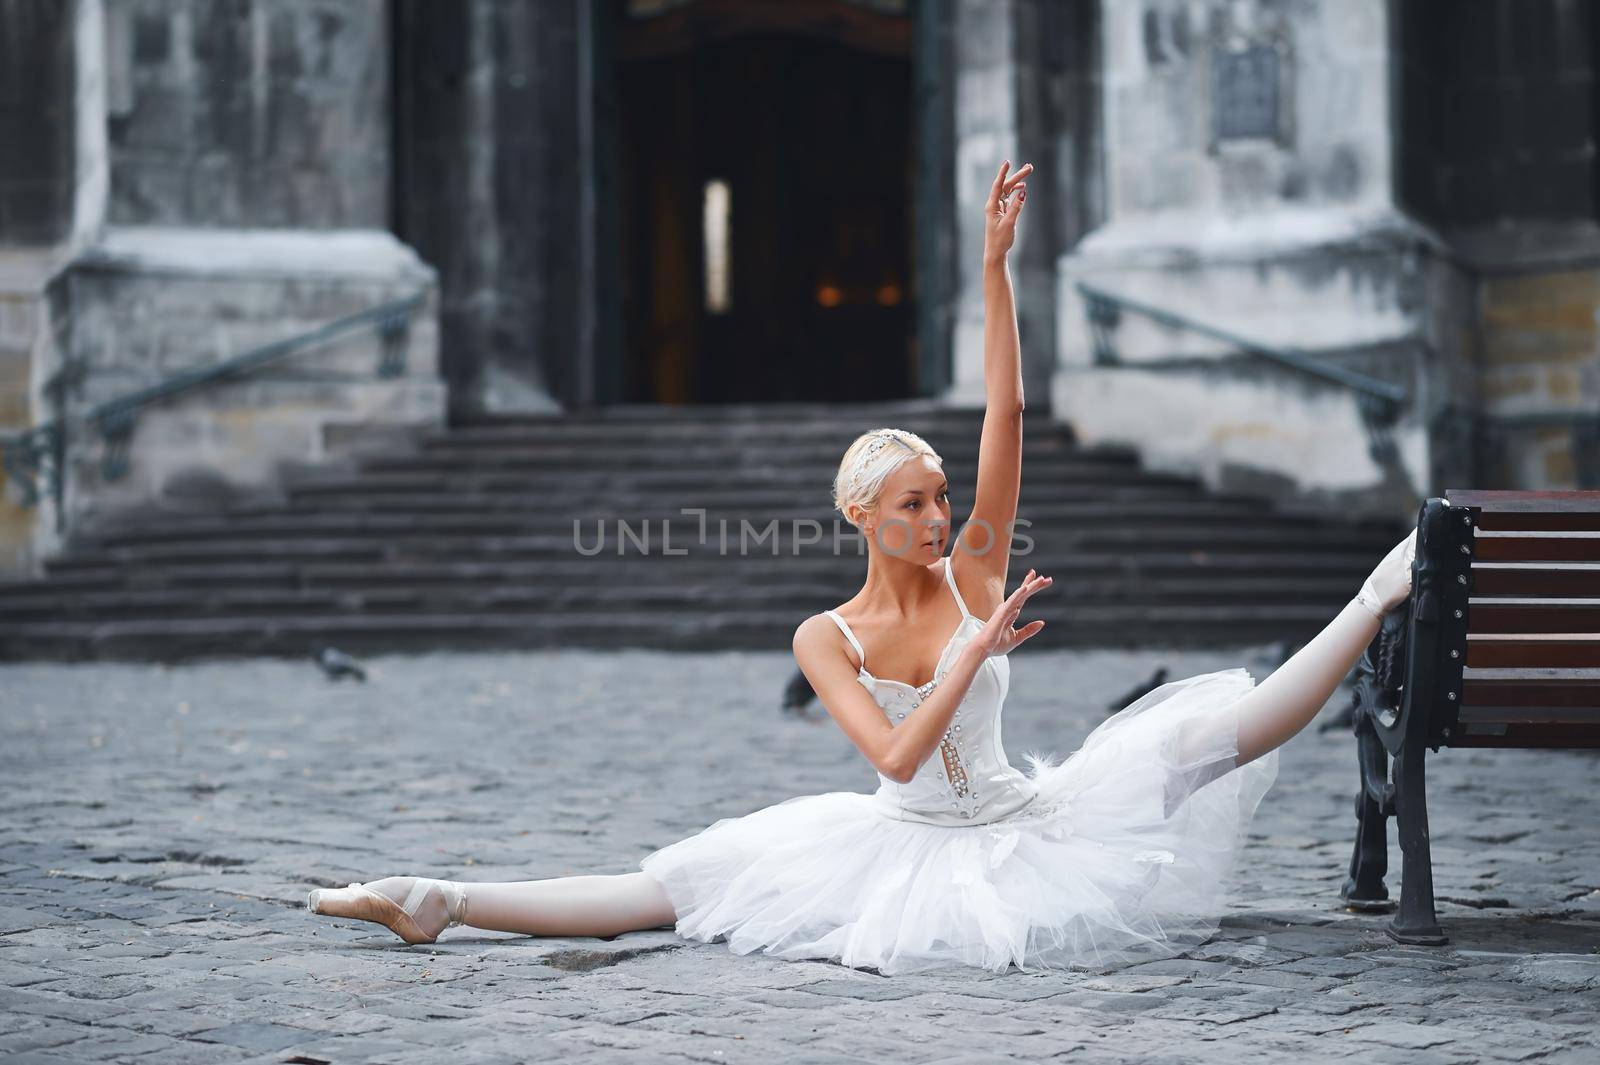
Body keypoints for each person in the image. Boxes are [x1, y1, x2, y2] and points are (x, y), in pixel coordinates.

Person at [307, 160, 1419, 975]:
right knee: (666, 890)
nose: (942, 517)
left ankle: (1373, 594)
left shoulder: (975, 568)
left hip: (1031, 820)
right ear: (862, 517)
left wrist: (992, 269)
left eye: (941, 497)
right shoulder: (823, 637)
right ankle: (439, 896)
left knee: (1204, 733)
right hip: (906, 844)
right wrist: (971, 653)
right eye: (915, 504)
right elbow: (892, 758)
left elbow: (1009, 411)